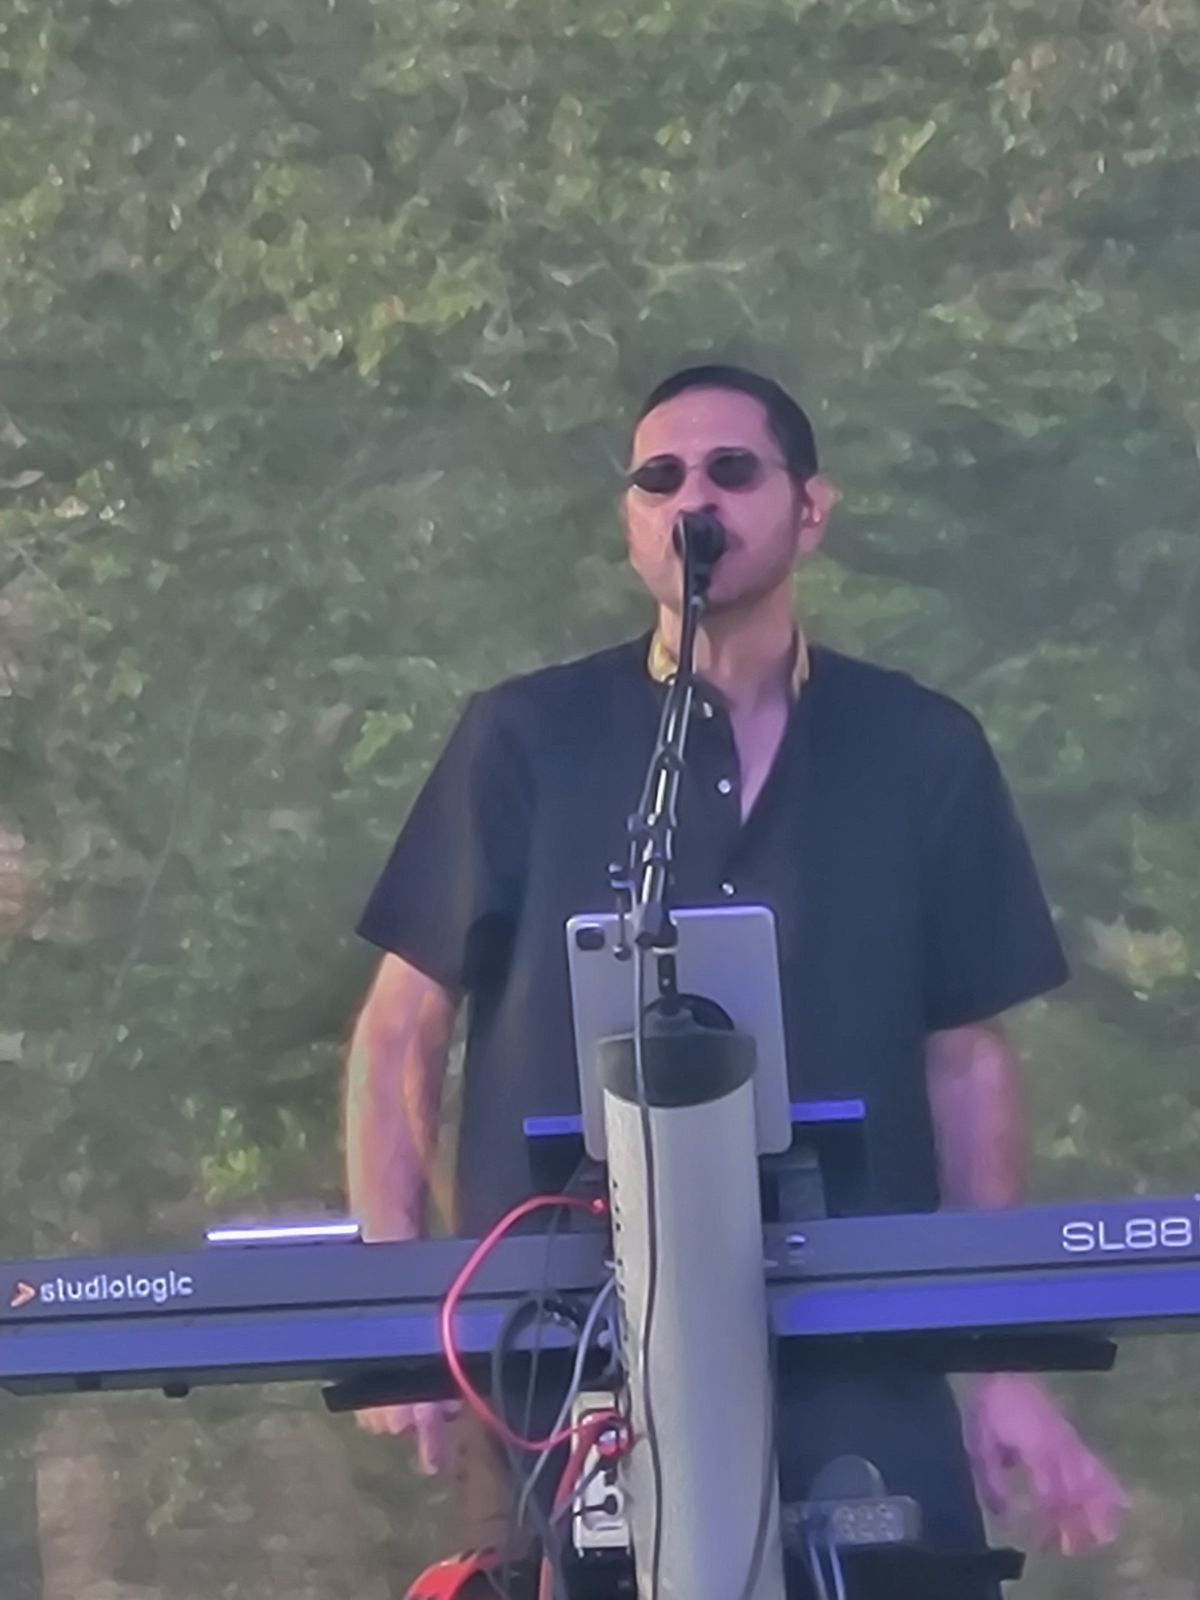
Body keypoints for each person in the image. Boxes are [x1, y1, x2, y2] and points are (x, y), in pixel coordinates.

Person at [344, 363, 1128, 1595]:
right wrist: (397, 1298)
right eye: (659, 477)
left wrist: (995, 1356)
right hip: (569, 1341)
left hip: (863, 1335)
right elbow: (402, 1026)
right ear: (630, 522)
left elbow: (967, 1062)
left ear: (810, 509)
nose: (691, 499)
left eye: (730, 471)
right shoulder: (526, 737)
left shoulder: (920, 747)